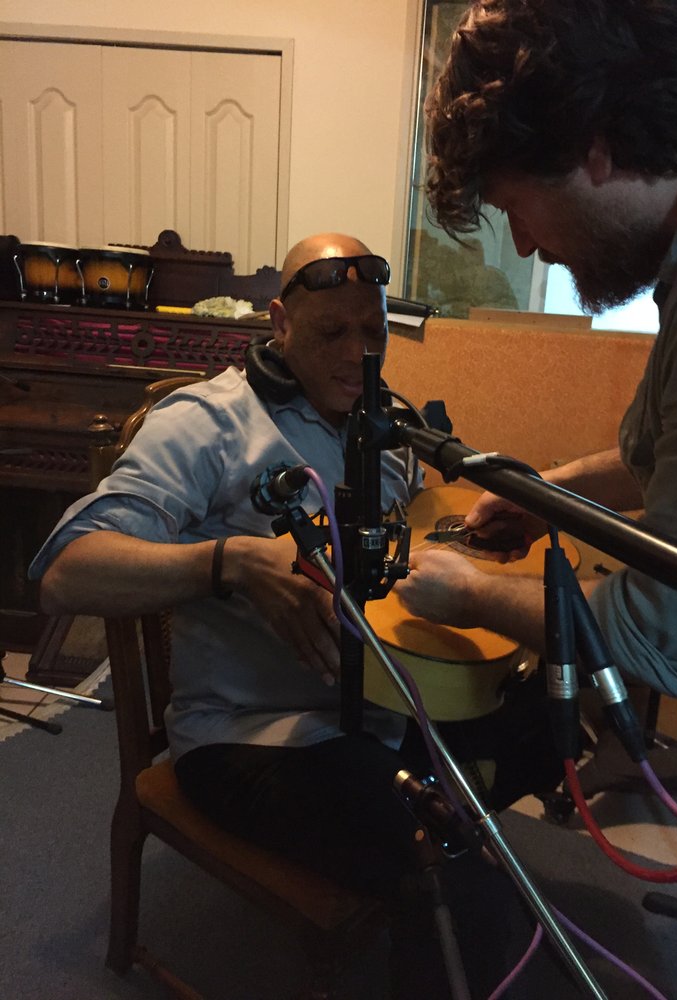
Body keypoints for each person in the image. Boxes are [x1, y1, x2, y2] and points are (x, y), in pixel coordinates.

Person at [30, 232, 568, 999]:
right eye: (330, 334)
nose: (358, 356)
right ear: (278, 322)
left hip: (377, 704)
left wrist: (463, 535)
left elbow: (409, 525)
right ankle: (445, 850)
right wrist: (231, 563)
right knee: (449, 865)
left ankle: (442, 818)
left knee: (562, 714)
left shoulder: (383, 422)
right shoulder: (204, 424)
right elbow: (64, 571)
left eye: (373, 333)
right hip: (253, 735)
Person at [397, 0, 677, 744]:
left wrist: (475, 594)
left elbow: (668, 636)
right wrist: (546, 496)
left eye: (515, 206)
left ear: (593, 147)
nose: (524, 246)